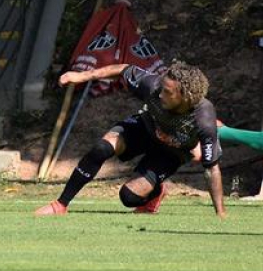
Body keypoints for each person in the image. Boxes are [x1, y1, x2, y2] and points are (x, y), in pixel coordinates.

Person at [34, 61, 227, 218]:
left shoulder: (204, 120)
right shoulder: (153, 86)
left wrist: (220, 214)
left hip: (171, 152)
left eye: (168, 92)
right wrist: (81, 76)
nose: (160, 94)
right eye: (162, 88)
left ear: (187, 96)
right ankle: (60, 205)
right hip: (144, 128)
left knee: (128, 197)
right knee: (101, 148)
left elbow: (212, 169)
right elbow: (122, 69)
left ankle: (155, 193)